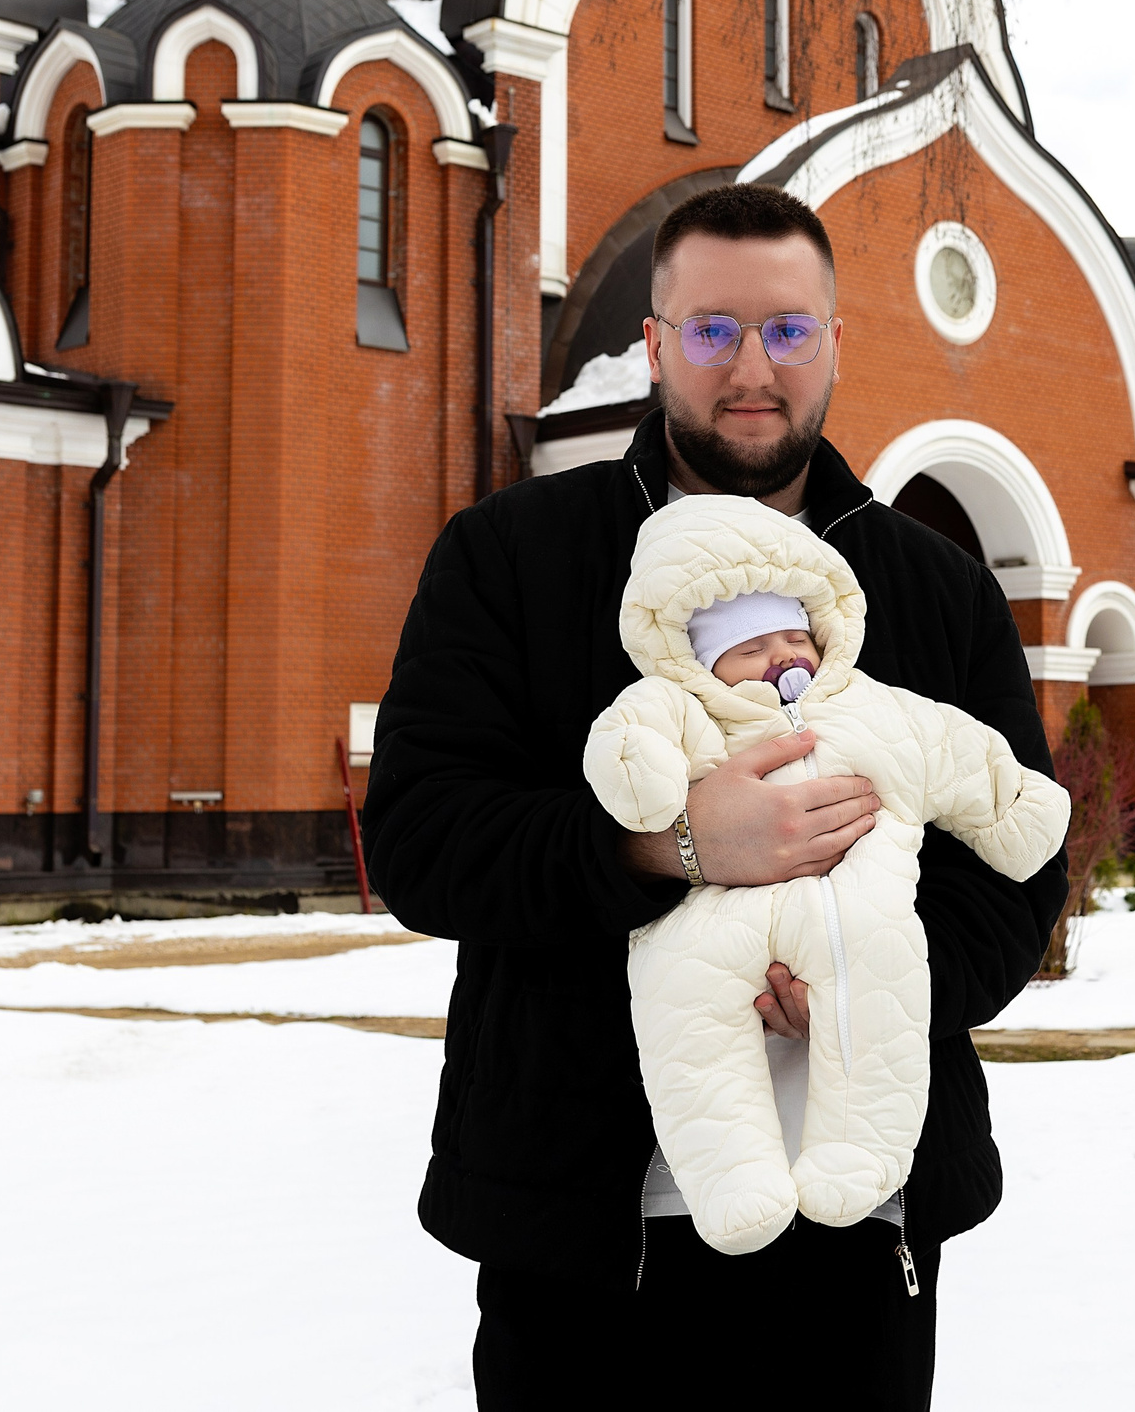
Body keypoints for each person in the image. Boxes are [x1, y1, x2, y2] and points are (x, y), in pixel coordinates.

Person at [364, 183, 1065, 1411]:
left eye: (788, 330)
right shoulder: (514, 557)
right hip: (587, 1239)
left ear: (837, 343)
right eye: (712, 330)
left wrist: (859, 992)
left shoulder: (935, 592)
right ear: (653, 345)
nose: (753, 365)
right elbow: (422, 839)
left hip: (863, 1226)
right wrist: (667, 843)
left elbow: (1017, 878)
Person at [583, 493, 1069, 1256]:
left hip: (859, 914)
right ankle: (731, 1173)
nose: (781, 656)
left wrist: (1015, 804)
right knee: (683, 1001)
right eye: (749, 648)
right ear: (700, 661)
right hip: (713, 922)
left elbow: (952, 748)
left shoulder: (871, 706)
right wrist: (648, 791)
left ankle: (862, 1153)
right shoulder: (687, 708)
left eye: (790, 634)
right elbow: (626, 739)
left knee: (882, 987)